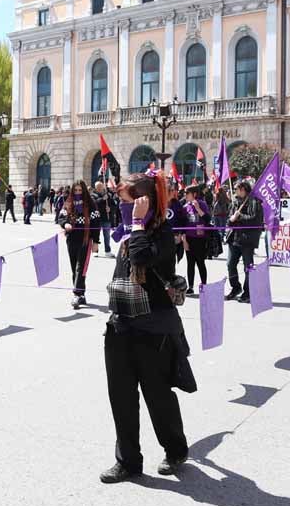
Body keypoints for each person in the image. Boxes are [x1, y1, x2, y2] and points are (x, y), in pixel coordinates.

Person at [101, 171, 192, 483]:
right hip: (121, 324)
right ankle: (128, 461)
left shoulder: (161, 232)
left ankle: (175, 449)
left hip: (153, 328)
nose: (123, 206)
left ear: (144, 201)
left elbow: (141, 256)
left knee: (157, 395)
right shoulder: (129, 232)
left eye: (128, 200)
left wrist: (138, 223)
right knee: (121, 396)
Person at [58, 180, 100, 309]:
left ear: (84, 191)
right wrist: (66, 224)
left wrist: (96, 242)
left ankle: (77, 294)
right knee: (74, 267)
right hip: (71, 239)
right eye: (75, 190)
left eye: (80, 190)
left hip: (85, 240)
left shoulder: (91, 204)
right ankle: (81, 294)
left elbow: (96, 223)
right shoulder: (68, 203)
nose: (77, 193)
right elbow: (61, 217)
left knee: (81, 268)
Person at [225, 182, 263, 304]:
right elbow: (229, 220)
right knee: (230, 264)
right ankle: (236, 287)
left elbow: (255, 219)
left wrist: (239, 216)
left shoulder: (255, 203)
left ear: (243, 189)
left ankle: (248, 292)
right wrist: (231, 220)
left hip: (247, 240)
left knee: (248, 267)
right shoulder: (235, 202)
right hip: (234, 239)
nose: (235, 191)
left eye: (237, 189)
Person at [181, 184, 212, 295]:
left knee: (200, 262)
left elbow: (208, 219)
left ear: (194, 194)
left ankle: (204, 284)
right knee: (190, 263)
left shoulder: (202, 204)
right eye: (184, 193)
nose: (185, 195)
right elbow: (183, 225)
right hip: (189, 238)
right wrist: (184, 240)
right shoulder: (185, 207)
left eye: (187, 193)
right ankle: (190, 286)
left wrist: (198, 208)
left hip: (200, 238)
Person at [93, 181, 114, 256]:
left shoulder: (108, 195)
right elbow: (94, 203)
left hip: (106, 218)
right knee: (96, 235)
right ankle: (95, 251)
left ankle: (107, 251)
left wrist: (110, 209)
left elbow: (113, 204)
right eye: (98, 187)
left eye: (101, 187)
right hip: (96, 218)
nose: (100, 188)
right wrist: (102, 199)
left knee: (107, 236)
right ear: (95, 188)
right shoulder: (93, 195)